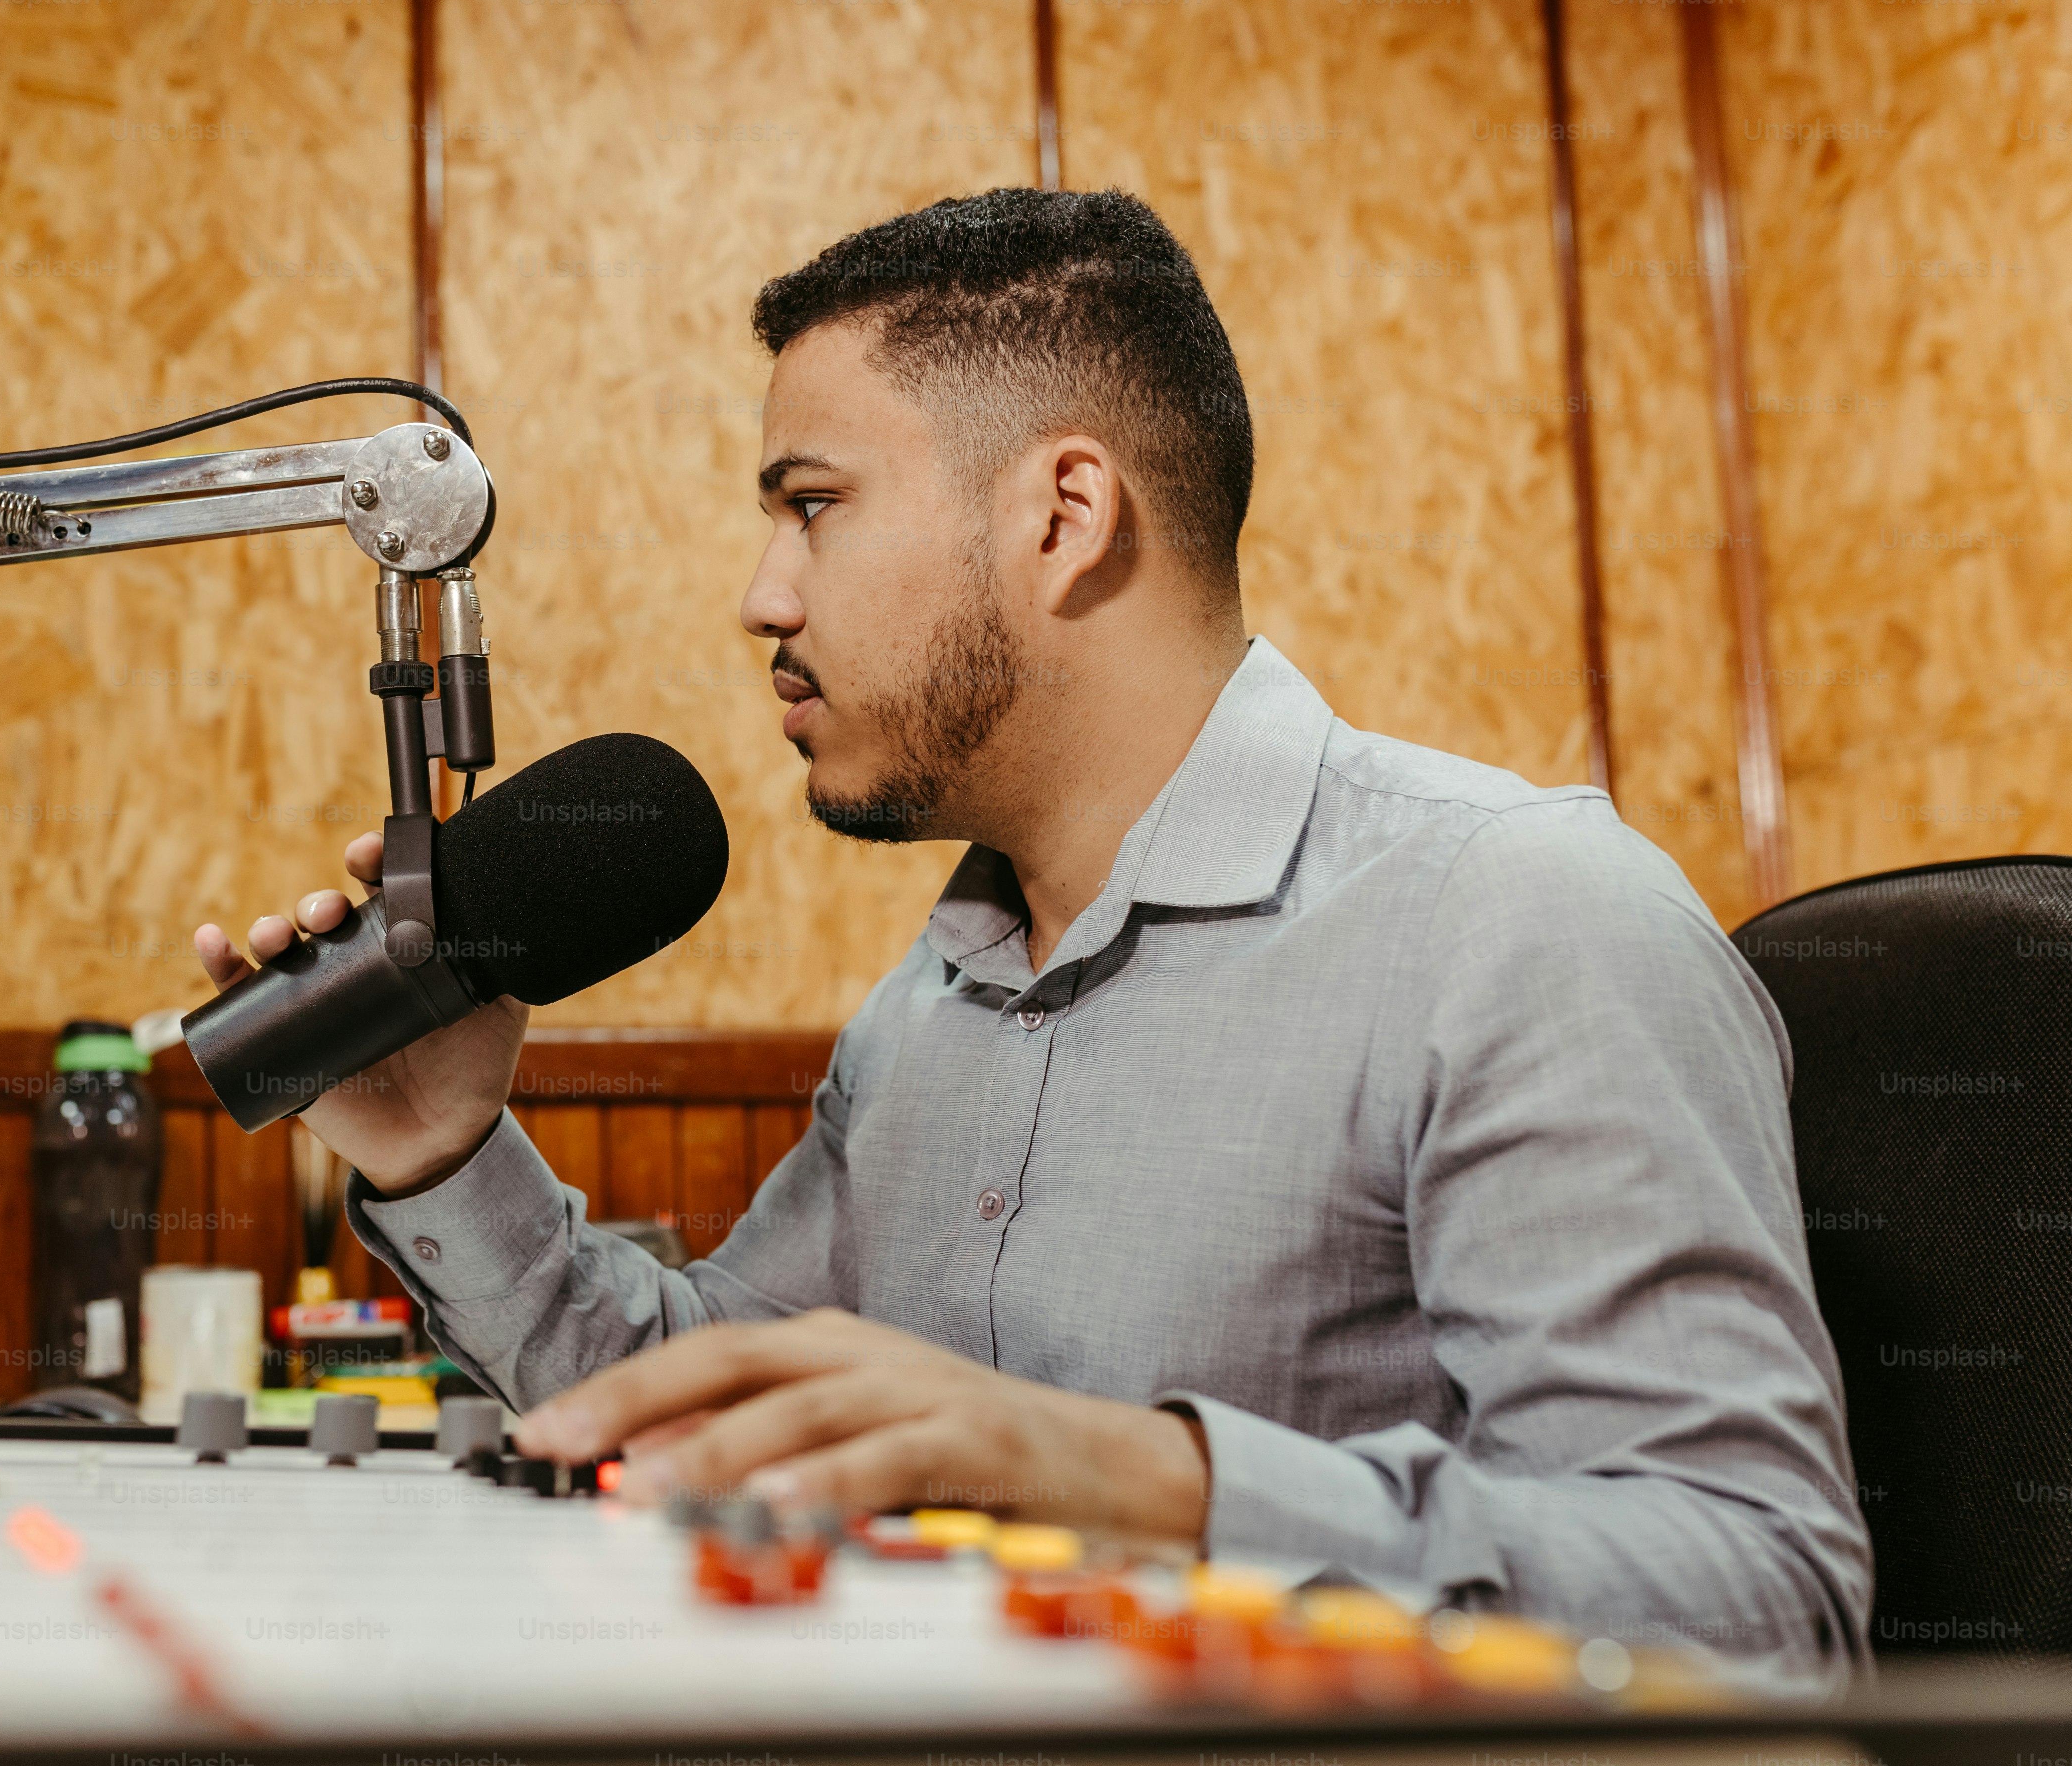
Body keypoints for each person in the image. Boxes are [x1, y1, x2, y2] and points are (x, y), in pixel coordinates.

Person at [193, 188, 1870, 1688]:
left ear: (1065, 515)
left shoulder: (1522, 923)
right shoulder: (930, 1008)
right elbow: (716, 1402)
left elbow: (1762, 1602)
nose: (764, 595)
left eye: (814, 503)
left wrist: (1143, 1481)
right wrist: (438, 1155)